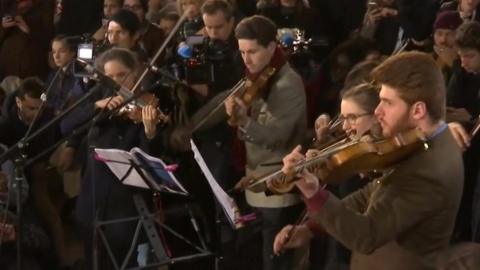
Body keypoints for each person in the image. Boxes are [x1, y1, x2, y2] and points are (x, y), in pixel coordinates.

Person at [274, 51, 464, 270]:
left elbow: (367, 236)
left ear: (418, 110)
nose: (377, 111)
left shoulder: (427, 170)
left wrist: (313, 193)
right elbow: (372, 192)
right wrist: (313, 227)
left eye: (387, 103)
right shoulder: (421, 144)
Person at [224, 15, 307, 270]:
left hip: (277, 189)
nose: (246, 60)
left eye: (252, 51)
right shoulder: (260, 77)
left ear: (272, 48)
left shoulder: (286, 83)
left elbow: (276, 138)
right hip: (256, 181)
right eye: (241, 52)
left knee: (274, 261)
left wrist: (244, 121)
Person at [74, 48, 161, 269]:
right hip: (91, 194)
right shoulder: (98, 98)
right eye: (110, 76)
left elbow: (149, 159)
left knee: (122, 260)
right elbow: (65, 126)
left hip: (124, 201)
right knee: (92, 259)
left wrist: (150, 132)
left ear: (134, 74)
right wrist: (95, 106)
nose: (115, 81)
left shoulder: (146, 103)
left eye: (121, 75)